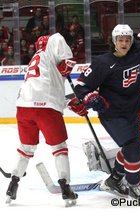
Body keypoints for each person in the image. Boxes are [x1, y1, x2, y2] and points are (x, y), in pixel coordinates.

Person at [74, 0, 140, 199]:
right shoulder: (103, 62)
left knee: (130, 146)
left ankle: (114, 179)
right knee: (132, 146)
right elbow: (81, 86)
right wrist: (91, 97)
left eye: (127, 39)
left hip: (133, 110)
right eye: (121, 40)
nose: (125, 43)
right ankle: (134, 186)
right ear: (114, 41)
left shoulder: (138, 49)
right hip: (112, 114)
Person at [5, 33, 88, 206]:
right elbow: (67, 64)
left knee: (26, 148)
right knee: (59, 148)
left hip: (23, 108)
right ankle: (65, 187)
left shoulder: (35, 61)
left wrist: (66, 101)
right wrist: (70, 99)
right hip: (46, 109)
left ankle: (13, 183)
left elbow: (43, 90)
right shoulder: (54, 40)